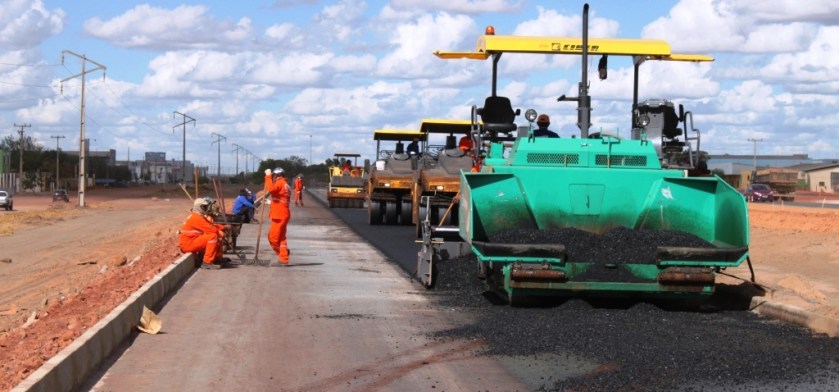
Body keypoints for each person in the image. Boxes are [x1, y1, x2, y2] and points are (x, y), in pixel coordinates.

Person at [179, 197, 226, 270]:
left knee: (214, 236)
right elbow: (212, 230)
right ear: (198, 207)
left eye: (205, 206)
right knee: (212, 237)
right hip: (188, 244)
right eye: (204, 207)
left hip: (192, 241)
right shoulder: (196, 218)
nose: (205, 208)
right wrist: (220, 231)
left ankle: (216, 259)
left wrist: (223, 227)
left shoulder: (197, 216)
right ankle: (207, 262)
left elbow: (210, 225)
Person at [265, 167, 292, 265]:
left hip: (279, 215)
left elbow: (271, 189)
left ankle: (282, 254)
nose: (273, 177)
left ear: (276, 175)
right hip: (283, 213)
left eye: (273, 176)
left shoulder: (280, 182)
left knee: (272, 238)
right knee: (281, 238)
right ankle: (283, 258)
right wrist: (271, 202)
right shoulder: (285, 184)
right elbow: (281, 199)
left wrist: (267, 176)